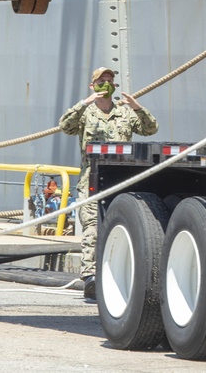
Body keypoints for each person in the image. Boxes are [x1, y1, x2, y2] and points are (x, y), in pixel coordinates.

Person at [59, 67, 158, 299]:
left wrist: (136, 107)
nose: (107, 84)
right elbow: (65, 126)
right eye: (101, 81)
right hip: (91, 180)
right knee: (92, 227)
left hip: (122, 182)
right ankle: (91, 277)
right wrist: (85, 102)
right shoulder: (85, 113)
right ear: (93, 86)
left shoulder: (124, 113)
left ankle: (123, 275)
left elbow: (150, 129)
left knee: (124, 226)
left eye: (110, 81)